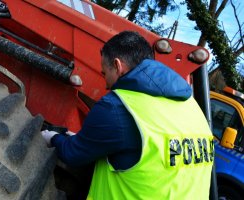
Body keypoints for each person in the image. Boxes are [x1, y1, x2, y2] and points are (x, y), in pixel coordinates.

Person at [42, 31, 214, 199]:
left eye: (105, 73)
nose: (106, 84)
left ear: (118, 66)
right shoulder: (193, 107)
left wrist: (53, 137)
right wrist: (87, 141)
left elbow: (73, 154)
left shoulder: (117, 107)